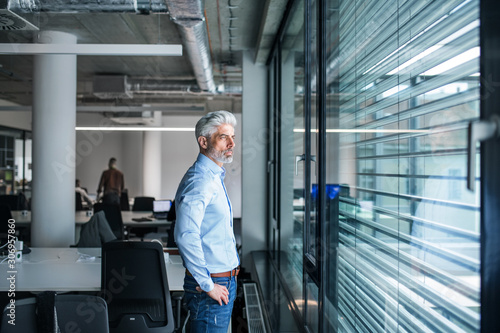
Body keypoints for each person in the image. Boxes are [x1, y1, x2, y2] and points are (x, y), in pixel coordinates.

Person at [174, 110, 239, 332]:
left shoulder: (213, 177)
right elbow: (185, 235)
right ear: (203, 141)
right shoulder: (200, 181)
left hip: (222, 282)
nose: (231, 143)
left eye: (233, 137)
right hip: (211, 285)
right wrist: (207, 284)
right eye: (223, 137)